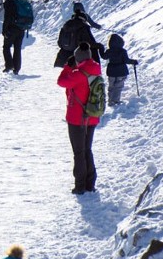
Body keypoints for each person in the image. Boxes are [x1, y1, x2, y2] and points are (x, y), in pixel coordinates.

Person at [58, 42, 102, 194]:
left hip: (77, 118)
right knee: (87, 150)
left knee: (79, 152)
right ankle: (90, 183)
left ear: (78, 59)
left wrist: (68, 67)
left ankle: (80, 186)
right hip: (92, 116)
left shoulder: (78, 74)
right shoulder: (96, 69)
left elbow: (61, 81)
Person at [102, 33, 138, 106]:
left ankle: (110, 101)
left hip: (111, 72)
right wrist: (133, 61)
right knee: (118, 87)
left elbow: (104, 57)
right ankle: (116, 100)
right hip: (121, 71)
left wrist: (101, 49)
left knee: (111, 86)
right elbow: (126, 60)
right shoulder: (122, 51)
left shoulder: (109, 51)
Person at [1, 0, 26, 74]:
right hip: (21, 28)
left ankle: (9, 65)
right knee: (17, 48)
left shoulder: (9, 3)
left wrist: (4, 30)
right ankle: (16, 69)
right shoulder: (19, 2)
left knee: (6, 47)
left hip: (11, 29)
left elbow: (7, 18)